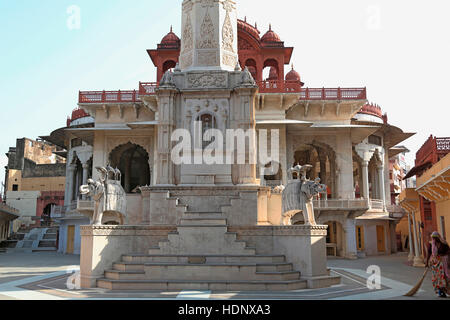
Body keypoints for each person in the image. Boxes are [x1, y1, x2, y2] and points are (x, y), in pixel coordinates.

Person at [425, 231, 450, 298]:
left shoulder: (443, 243)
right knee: (437, 278)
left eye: (435, 238)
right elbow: (429, 254)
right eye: (433, 238)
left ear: (438, 237)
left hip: (444, 263)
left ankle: (445, 291)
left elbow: (448, 251)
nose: (434, 239)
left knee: (445, 277)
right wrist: (427, 262)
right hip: (436, 265)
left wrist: (446, 258)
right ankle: (441, 292)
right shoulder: (431, 245)